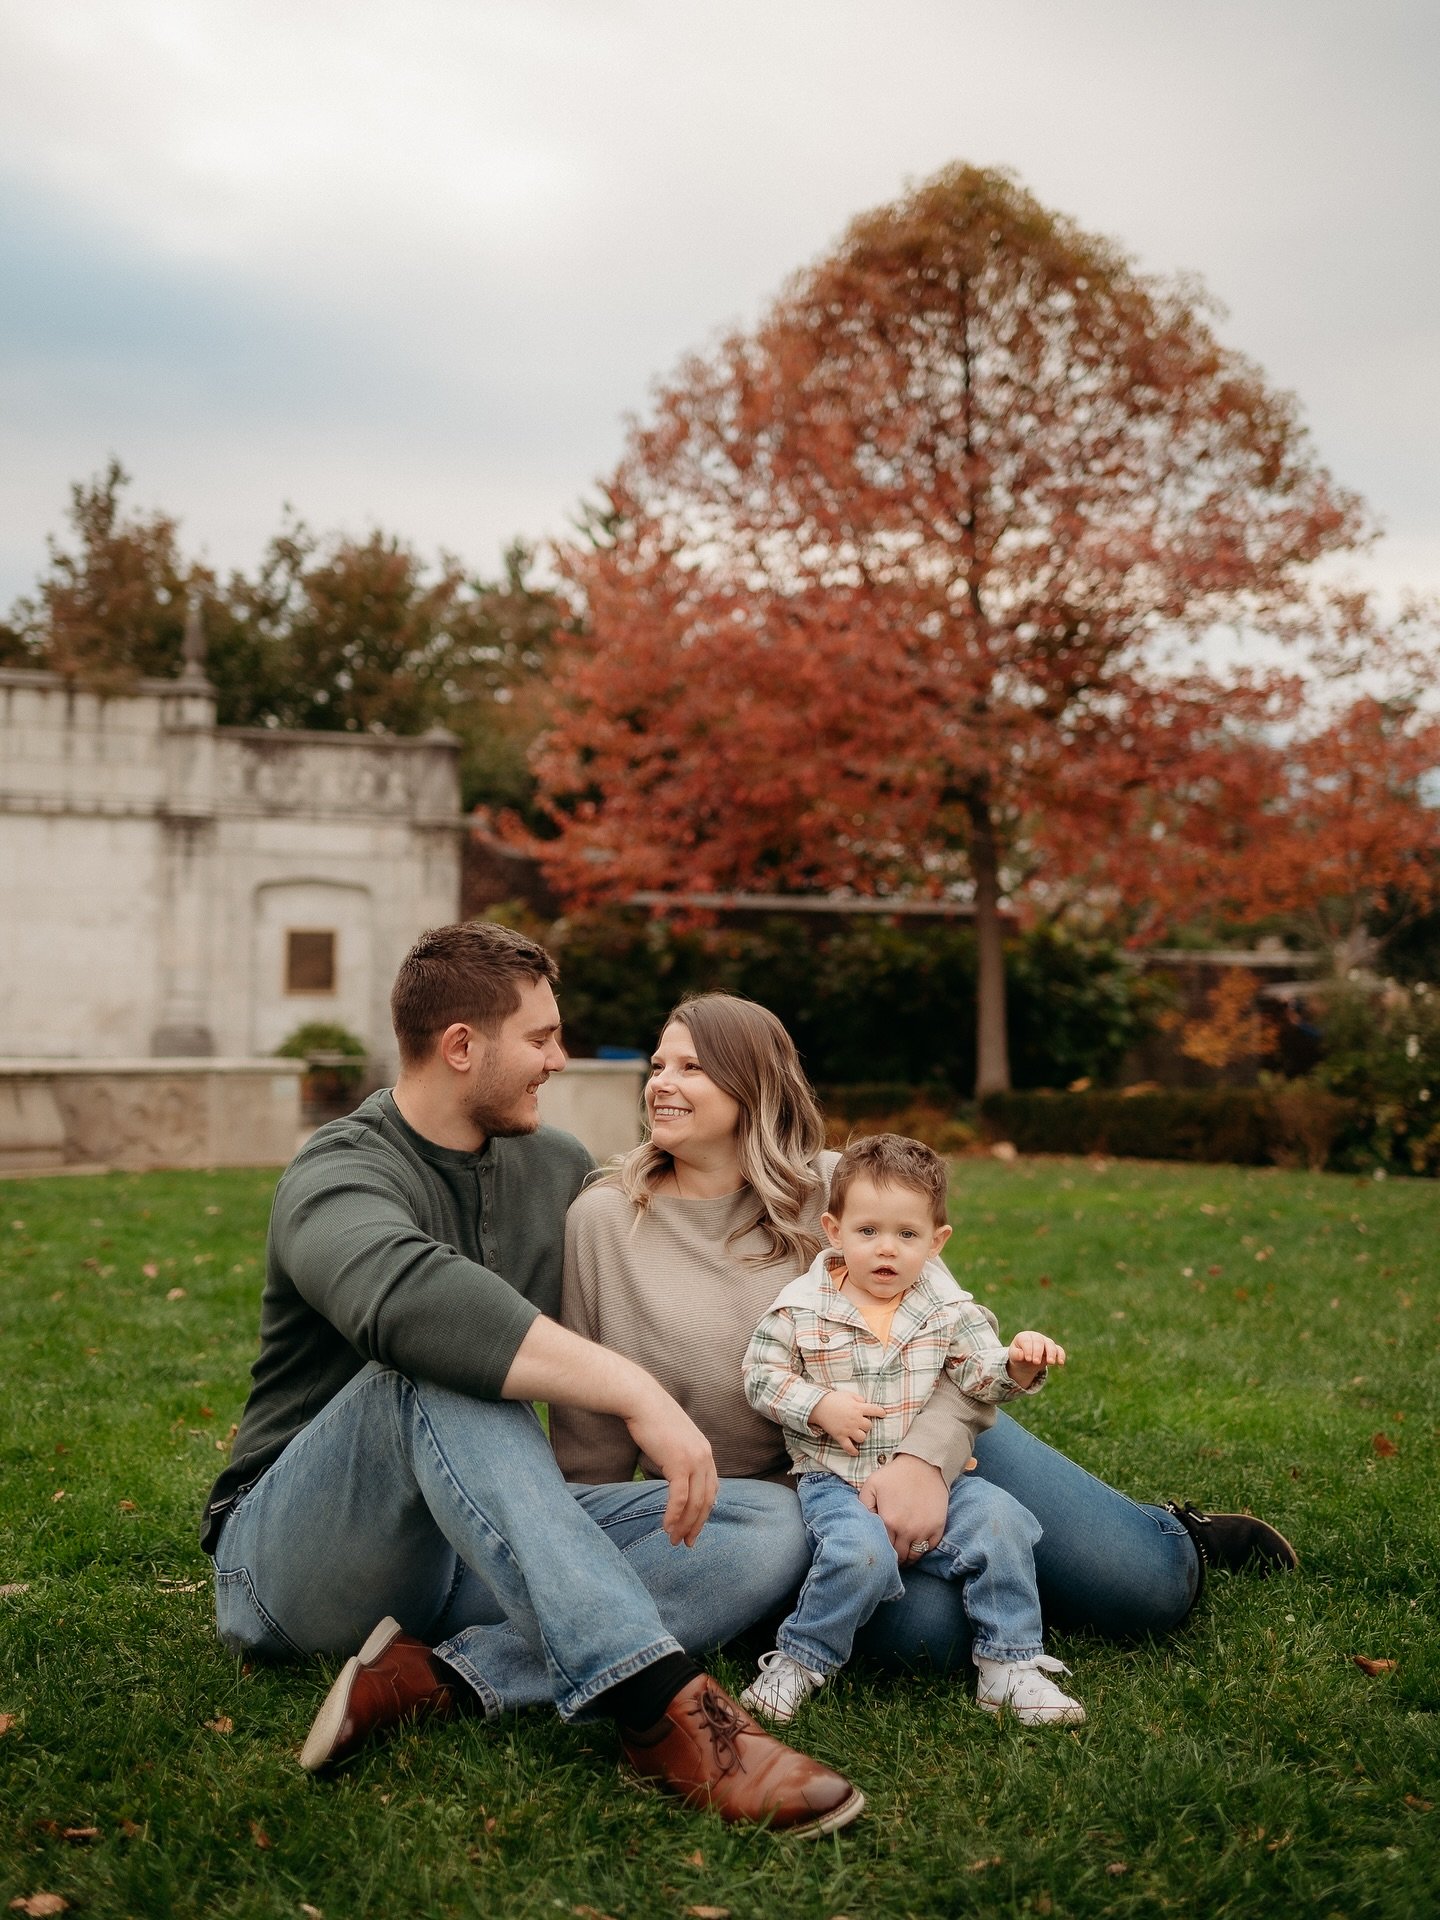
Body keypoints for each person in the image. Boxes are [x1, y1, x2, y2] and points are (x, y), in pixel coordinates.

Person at [202, 924, 864, 1838]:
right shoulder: (338, 1172)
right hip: (300, 1560)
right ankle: (660, 1707)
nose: (563, 1059)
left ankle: (436, 1677)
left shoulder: (553, 1166)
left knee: (764, 1523)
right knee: (431, 1369)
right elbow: (413, 1307)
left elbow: (665, 1220)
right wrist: (635, 1391)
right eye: (544, 1038)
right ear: (463, 1046)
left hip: (472, 1540)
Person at [552, 993, 1297, 1687]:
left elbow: (952, 1342)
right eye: (658, 1066)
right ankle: (996, 1591)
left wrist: (921, 1464)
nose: (661, 1084)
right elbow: (591, 1443)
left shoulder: (838, 1188)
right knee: (935, 1638)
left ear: (754, 1085)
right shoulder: (607, 1221)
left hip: (923, 1435)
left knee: (1147, 1595)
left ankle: (1172, 1535)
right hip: (790, 1505)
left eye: (690, 1066)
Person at [738, 1133, 1083, 1727]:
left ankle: (1011, 1667)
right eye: (867, 1231)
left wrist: (1018, 1363)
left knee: (1003, 1522)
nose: (886, 1251)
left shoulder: (946, 1310)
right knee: (859, 1554)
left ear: (936, 1241)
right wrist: (818, 1405)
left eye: (907, 1235)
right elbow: (759, 1376)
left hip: (935, 1482)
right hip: (836, 1480)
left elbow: (978, 1374)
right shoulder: (800, 1308)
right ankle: (799, 1662)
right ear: (833, 1230)